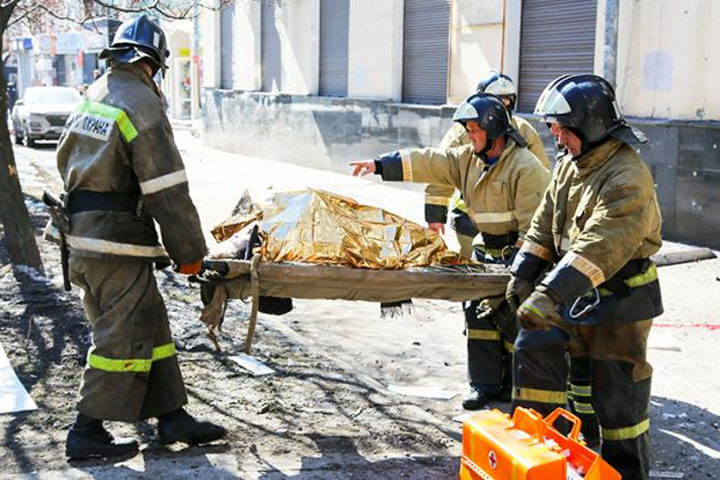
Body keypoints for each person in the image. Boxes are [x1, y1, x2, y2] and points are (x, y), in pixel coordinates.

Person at [56, 14, 226, 460]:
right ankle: (86, 430)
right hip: (115, 243)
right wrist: (189, 253)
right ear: (154, 64)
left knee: (150, 323)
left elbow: (66, 161)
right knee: (120, 336)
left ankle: (171, 415)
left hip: (83, 238)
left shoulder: (94, 94)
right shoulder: (141, 103)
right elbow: (165, 190)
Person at [351, 93, 550, 410]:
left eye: (474, 130)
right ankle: (484, 386)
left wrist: (520, 268)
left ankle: (516, 391)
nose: (469, 137)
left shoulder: (526, 168)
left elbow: (535, 227)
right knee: (478, 316)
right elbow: (431, 161)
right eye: (468, 130)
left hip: (517, 256)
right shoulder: (467, 160)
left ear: (494, 129)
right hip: (485, 253)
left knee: (514, 321)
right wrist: (380, 164)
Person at [507, 74, 662, 479]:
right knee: (534, 341)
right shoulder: (570, 164)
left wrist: (548, 293)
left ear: (588, 125)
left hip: (621, 299)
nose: (555, 135)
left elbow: (599, 245)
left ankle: (624, 472)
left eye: (561, 126)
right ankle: (542, 456)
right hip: (574, 291)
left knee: (618, 398)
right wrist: (523, 271)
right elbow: (544, 221)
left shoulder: (627, 176)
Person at [424, 70, 551, 259]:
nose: (501, 105)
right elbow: (443, 168)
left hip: (511, 223)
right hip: (469, 220)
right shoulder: (463, 132)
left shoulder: (524, 130)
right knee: (472, 272)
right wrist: (435, 215)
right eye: (496, 99)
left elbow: (542, 175)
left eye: (506, 100)